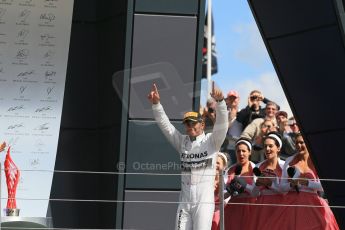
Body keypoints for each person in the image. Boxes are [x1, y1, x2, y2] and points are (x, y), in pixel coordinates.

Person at [148, 82, 228, 230]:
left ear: (202, 124)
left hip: (204, 200)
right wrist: (156, 105)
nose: (189, 126)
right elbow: (166, 126)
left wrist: (221, 102)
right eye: (187, 124)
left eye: (193, 123)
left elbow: (222, 125)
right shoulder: (182, 142)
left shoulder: (212, 141)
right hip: (184, 201)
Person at [280, 133, 339, 229]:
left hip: (314, 204)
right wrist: (291, 184)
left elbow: (324, 186)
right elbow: (282, 187)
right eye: (296, 143)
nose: (299, 146)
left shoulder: (317, 160)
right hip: (293, 205)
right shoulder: (289, 160)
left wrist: (307, 182)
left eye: (301, 142)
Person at [250, 132, 286, 230]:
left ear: (278, 148)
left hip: (280, 206)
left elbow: (286, 191)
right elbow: (253, 194)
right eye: (265, 146)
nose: (267, 149)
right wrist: (257, 185)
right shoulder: (258, 167)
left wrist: (269, 183)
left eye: (271, 146)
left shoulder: (285, 166)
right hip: (262, 208)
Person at [224, 137, 257, 230]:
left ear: (249, 152)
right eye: (238, 151)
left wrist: (245, 186)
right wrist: (230, 190)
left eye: (244, 151)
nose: (241, 154)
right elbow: (223, 195)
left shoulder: (255, 168)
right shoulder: (230, 170)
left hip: (250, 208)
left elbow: (257, 192)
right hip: (233, 209)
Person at [212, 152, 229, 230]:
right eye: (214, 162)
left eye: (218, 163)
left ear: (224, 166)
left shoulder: (226, 181)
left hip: (220, 215)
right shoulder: (205, 181)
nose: (216, 165)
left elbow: (226, 200)